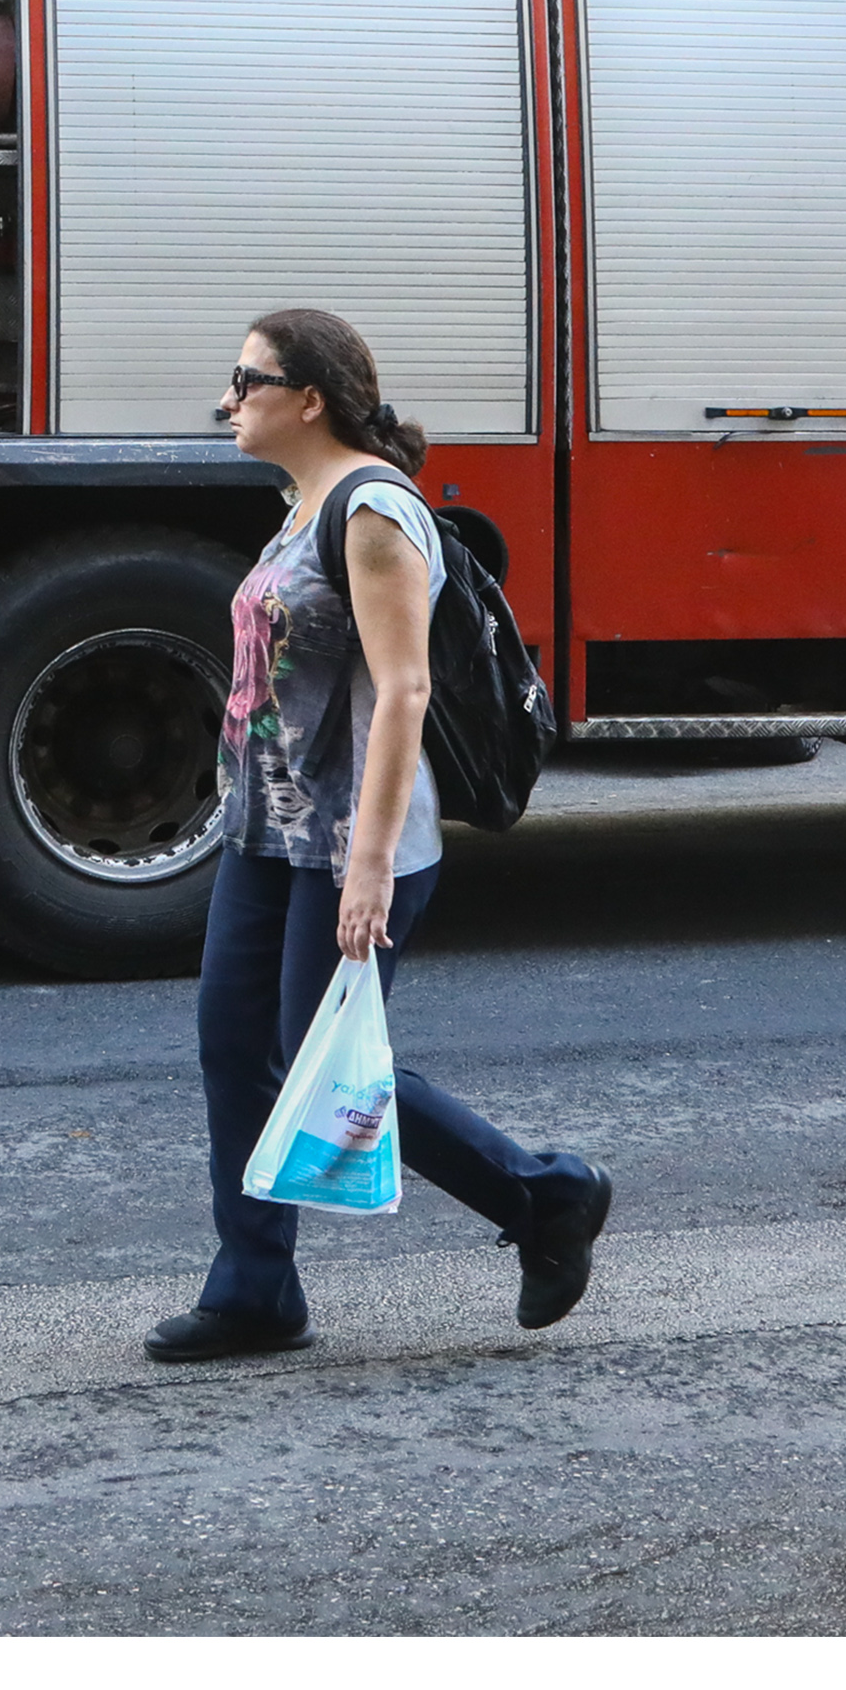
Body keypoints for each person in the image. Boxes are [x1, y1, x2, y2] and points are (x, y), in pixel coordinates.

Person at [145, 306, 611, 1364]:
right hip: (269, 832)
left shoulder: (372, 510)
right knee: (234, 1047)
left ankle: (548, 1194)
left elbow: (404, 691)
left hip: (357, 844)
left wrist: (367, 868)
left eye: (246, 378)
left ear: (307, 400)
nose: (228, 398)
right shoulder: (299, 499)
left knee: (330, 1064)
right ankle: (256, 1287)